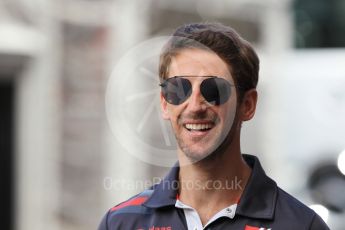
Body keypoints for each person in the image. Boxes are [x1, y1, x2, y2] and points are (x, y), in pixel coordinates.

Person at [99, 22, 330, 230]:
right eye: (179, 89)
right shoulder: (121, 223)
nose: (195, 105)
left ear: (247, 105)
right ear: (164, 103)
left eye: (214, 90)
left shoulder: (301, 226)